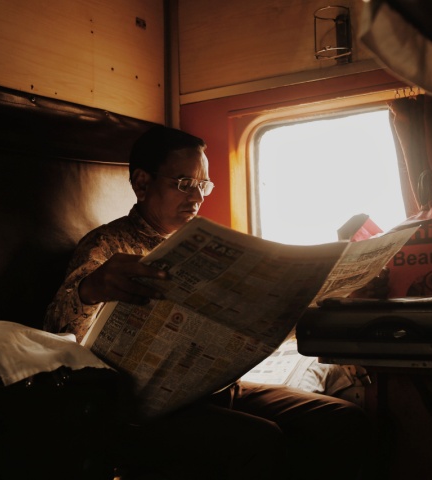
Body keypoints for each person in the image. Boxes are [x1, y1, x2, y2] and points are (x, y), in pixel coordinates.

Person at [44, 125, 376, 480]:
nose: (197, 197)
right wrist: (90, 289)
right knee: (261, 440)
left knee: (342, 420)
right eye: (185, 184)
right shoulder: (107, 245)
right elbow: (55, 330)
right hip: (144, 406)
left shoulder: (210, 244)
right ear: (142, 183)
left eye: (204, 185)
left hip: (215, 388)